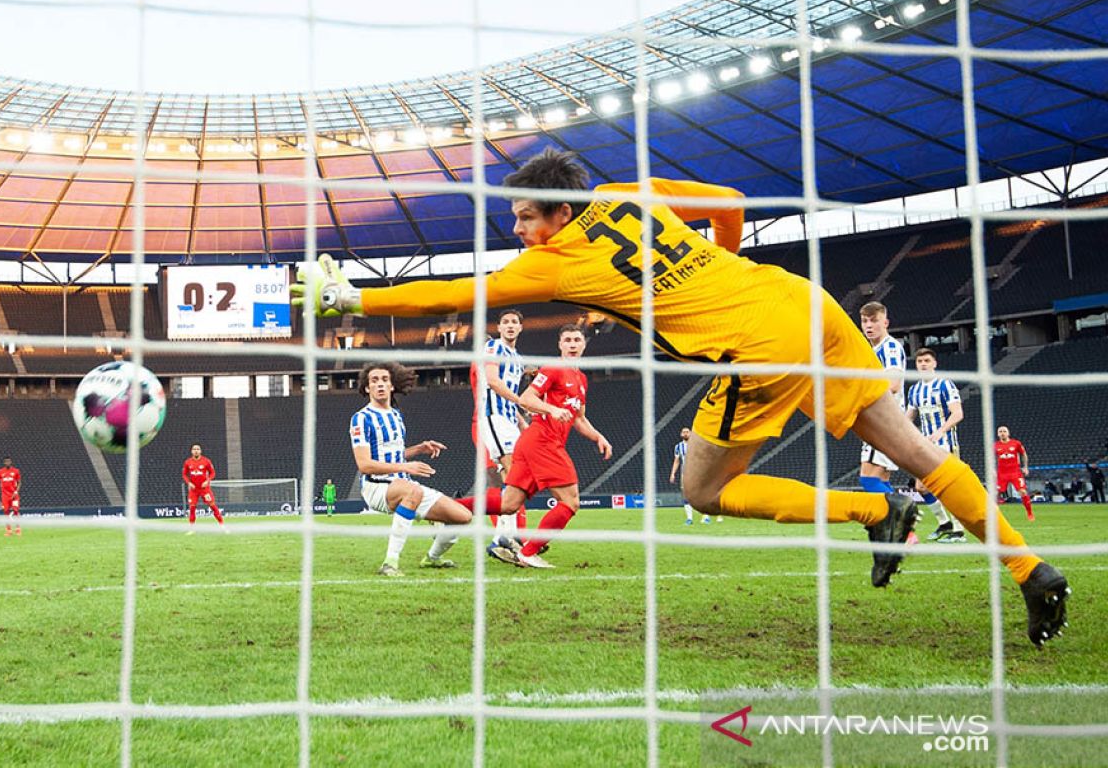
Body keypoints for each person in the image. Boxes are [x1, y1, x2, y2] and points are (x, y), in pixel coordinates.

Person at [295, 147, 1069, 646]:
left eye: (525, 217)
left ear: (558, 213)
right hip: (806, 304)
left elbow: (459, 293)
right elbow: (728, 200)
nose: (520, 228)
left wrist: (351, 301)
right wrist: (710, 276)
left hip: (758, 347)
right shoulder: (627, 195)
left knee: (702, 488)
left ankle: (876, 510)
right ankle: (1032, 571)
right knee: (922, 454)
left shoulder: (554, 262)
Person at [351, 362, 508, 576]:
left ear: (392, 386)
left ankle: (432, 558)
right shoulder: (361, 418)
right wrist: (406, 467)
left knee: (461, 516)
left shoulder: (396, 415)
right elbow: (365, 464)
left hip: (403, 485)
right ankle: (390, 562)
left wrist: (418, 449)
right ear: (367, 388)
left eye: (384, 380)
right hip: (376, 487)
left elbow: (392, 454)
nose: (380, 384)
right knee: (413, 491)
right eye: (374, 381)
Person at [479, 325, 612, 568]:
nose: (572, 344)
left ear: (584, 345)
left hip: (537, 444)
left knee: (509, 503)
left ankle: (445, 509)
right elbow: (528, 397)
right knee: (570, 502)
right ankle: (528, 552)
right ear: (560, 345)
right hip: (542, 441)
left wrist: (598, 437)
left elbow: (579, 418)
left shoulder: (581, 379)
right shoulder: (553, 368)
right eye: (568, 340)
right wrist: (552, 409)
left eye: (577, 340)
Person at [471, 309, 529, 552]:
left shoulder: (517, 359)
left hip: (508, 420)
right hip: (493, 418)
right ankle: (507, 536)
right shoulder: (493, 348)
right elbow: (493, 381)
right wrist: (523, 402)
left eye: (515, 322)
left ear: (520, 328)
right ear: (499, 328)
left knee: (516, 476)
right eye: (505, 322)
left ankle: (503, 537)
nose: (510, 325)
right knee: (512, 473)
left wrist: (521, 421)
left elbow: (508, 397)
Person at [905, 349, 968, 543]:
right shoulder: (914, 390)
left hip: (946, 443)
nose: (923, 364)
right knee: (921, 487)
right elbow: (909, 417)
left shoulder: (945, 385)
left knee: (948, 486)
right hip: (925, 444)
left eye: (926, 361)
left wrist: (941, 431)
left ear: (934, 363)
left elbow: (957, 413)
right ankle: (944, 523)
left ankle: (959, 530)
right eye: (919, 361)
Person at [857, 302, 906, 496]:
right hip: (886, 421)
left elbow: (894, 384)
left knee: (869, 479)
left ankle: (903, 524)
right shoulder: (873, 351)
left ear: (885, 322)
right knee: (881, 480)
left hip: (885, 421)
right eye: (865, 321)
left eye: (874, 321)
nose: (869, 325)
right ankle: (902, 527)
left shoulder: (889, 348)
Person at [995, 426, 1035, 521]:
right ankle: (993, 516)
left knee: (1023, 491)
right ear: (998, 434)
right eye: (1000, 431)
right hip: (1002, 473)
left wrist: (1025, 467)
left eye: (1004, 431)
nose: (1002, 433)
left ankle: (1029, 513)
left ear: (1008, 433)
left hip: (1015, 472)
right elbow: (991, 458)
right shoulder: (995, 446)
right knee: (996, 494)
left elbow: (1024, 454)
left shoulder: (1016, 443)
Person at [183, 444, 225, 533]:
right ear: (191, 451)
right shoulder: (188, 462)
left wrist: (208, 481)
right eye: (194, 449)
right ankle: (191, 529)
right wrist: (189, 483)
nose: (196, 451)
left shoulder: (206, 461)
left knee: (213, 506)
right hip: (193, 490)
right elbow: (184, 474)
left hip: (204, 489)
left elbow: (212, 473)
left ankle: (222, 526)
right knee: (192, 508)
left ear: (200, 451)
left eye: (198, 449)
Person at [670, 427, 709, 524]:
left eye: (687, 432)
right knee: (686, 495)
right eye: (683, 432)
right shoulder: (678, 447)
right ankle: (689, 519)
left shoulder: (697, 445)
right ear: (681, 434)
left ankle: (706, 516)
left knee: (701, 494)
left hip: (697, 473)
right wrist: (673, 473)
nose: (685, 433)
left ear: (691, 434)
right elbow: (676, 461)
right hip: (685, 474)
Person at [0, 457, 22, 537]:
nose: (7, 463)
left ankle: (18, 529)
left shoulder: (16, 471)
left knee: (16, 511)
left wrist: (16, 492)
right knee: (6, 511)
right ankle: (8, 530)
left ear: (11, 462)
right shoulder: (0, 472)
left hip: (14, 495)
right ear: (4, 463)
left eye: (9, 461)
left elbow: (19, 483)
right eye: (6, 462)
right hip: (5, 495)